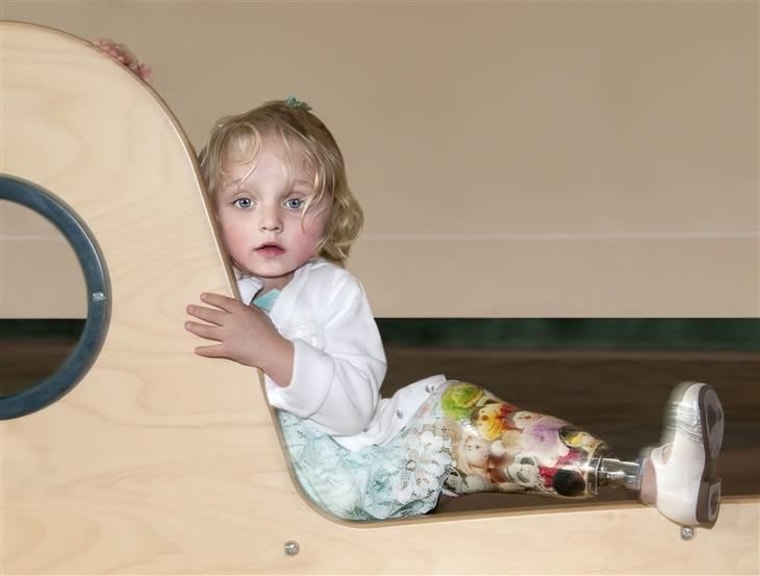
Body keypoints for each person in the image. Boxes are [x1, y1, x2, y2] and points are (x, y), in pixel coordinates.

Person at [96, 41, 725, 526]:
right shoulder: (198, 279)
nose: (268, 219)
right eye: (241, 201)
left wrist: (273, 352)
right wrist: (115, 98)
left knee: (456, 411)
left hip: (343, 473)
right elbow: (134, 210)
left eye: (295, 202)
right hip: (218, 485)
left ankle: (641, 475)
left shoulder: (331, 293)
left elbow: (352, 409)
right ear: (206, 211)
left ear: (330, 215)